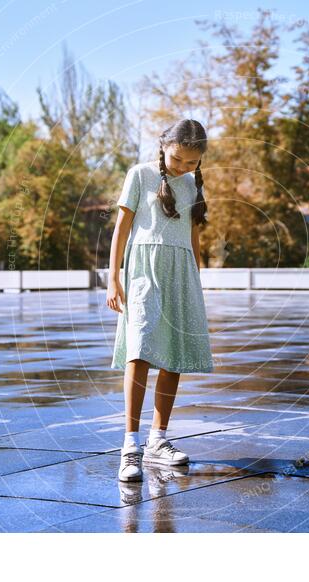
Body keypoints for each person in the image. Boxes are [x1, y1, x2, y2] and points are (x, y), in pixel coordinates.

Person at [106, 119, 214, 482]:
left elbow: (193, 236)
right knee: (140, 349)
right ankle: (130, 445)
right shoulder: (139, 174)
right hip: (142, 272)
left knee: (173, 353)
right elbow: (121, 230)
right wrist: (113, 279)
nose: (183, 167)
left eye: (191, 162)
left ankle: (158, 440)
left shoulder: (191, 185)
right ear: (164, 146)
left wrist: (196, 279)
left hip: (180, 273)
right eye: (177, 159)